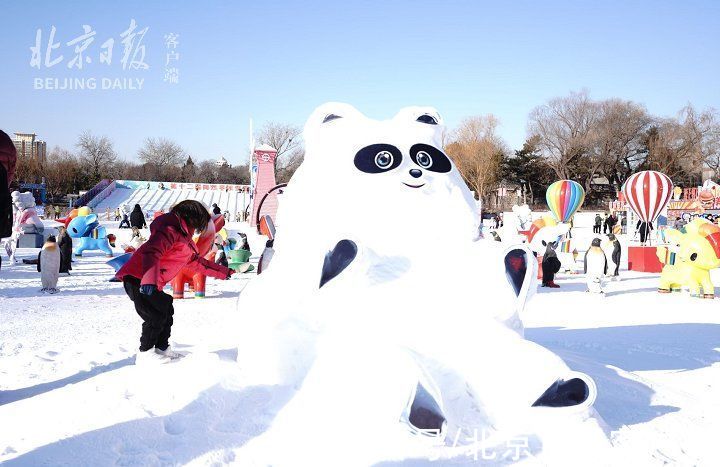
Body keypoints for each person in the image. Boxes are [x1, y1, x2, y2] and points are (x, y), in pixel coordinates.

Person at [115, 200, 234, 364]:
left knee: (166, 308)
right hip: (138, 278)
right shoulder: (169, 230)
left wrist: (224, 272)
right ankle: (145, 353)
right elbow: (152, 251)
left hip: (151, 281)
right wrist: (148, 278)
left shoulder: (185, 239)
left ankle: (161, 348)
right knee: (154, 316)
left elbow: (199, 263)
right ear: (194, 218)